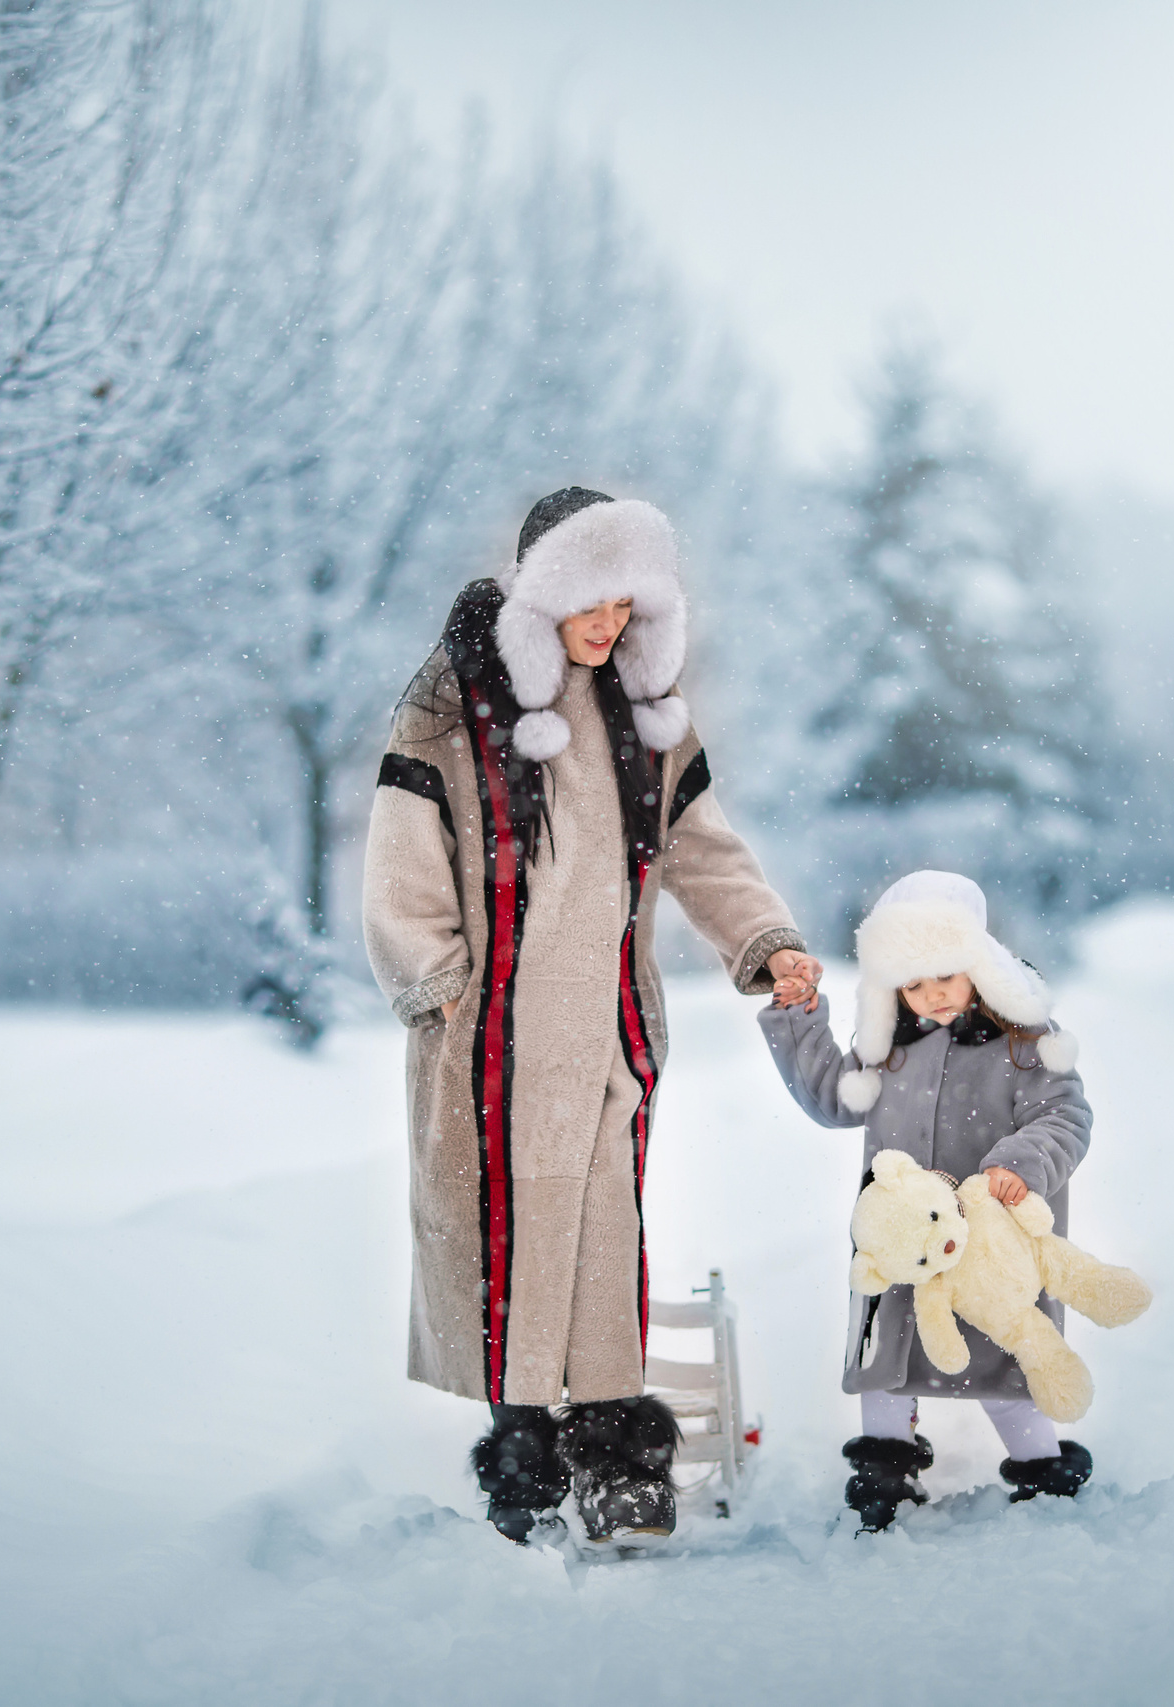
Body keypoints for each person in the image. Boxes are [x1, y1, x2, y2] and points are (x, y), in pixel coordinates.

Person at [362, 487, 824, 1545]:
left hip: (606, 1029)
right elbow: (400, 857)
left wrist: (766, 941)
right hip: (490, 1042)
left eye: (628, 599)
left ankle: (618, 1457)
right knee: (506, 1244)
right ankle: (521, 1459)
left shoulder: (644, 711)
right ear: (545, 588)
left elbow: (703, 846)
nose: (609, 620)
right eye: (591, 596)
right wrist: (437, 987)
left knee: (600, 1242)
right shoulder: (451, 702)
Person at [757, 869, 1095, 1531]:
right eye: (913, 983)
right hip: (899, 1246)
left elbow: (1066, 1116)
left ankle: (1043, 1471)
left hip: (990, 1241)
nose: (933, 994)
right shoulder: (889, 1053)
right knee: (888, 1360)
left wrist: (1020, 1164)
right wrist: (800, 1017)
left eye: (946, 974)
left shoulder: (1026, 1045)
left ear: (978, 966)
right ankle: (884, 1468)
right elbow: (830, 1094)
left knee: (1003, 1360)